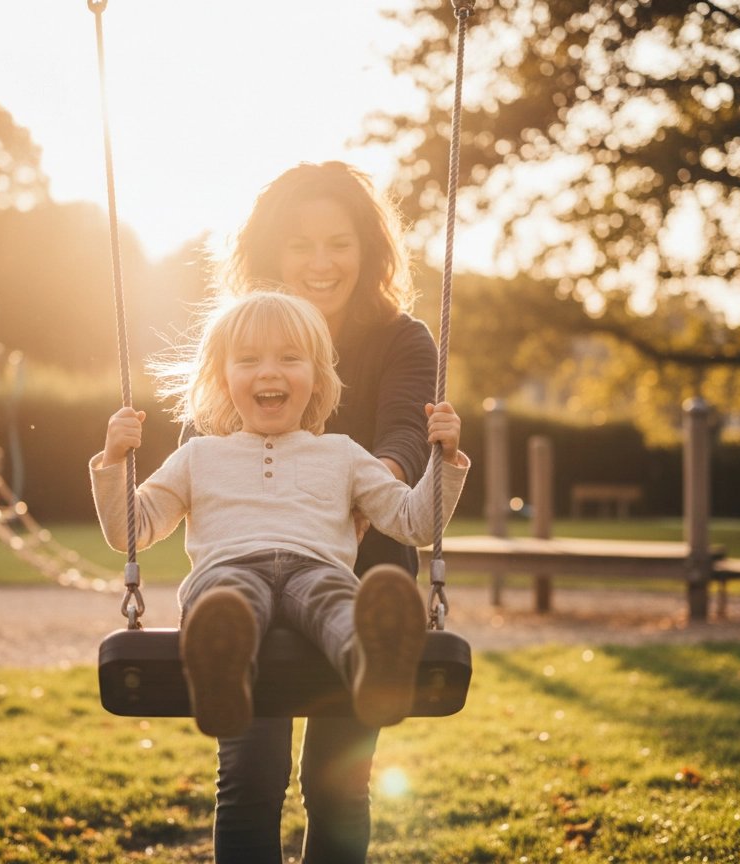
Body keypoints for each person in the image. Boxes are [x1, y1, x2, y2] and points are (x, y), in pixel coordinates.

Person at [91, 291, 468, 734]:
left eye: (290, 357)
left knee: (340, 602)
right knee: (229, 605)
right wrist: (114, 461)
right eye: (248, 359)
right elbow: (130, 533)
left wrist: (445, 458)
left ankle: (376, 669)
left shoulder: (342, 454)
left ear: (317, 377)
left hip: (317, 570)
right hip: (227, 571)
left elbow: (413, 522)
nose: (269, 371)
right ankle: (223, 678)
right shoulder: (198, 456)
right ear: (222, 378)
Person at [209, 160, 442, 863]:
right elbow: (208, 426)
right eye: (300, 245)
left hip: (363, 587)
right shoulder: (240, 332)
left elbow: (405, 430)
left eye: (339, 242)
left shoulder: (403, 339)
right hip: (249, 578)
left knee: (337, 784)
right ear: (271, 252)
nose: (321, 263)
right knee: (250, 778)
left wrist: (375, 488)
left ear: (368, 249)